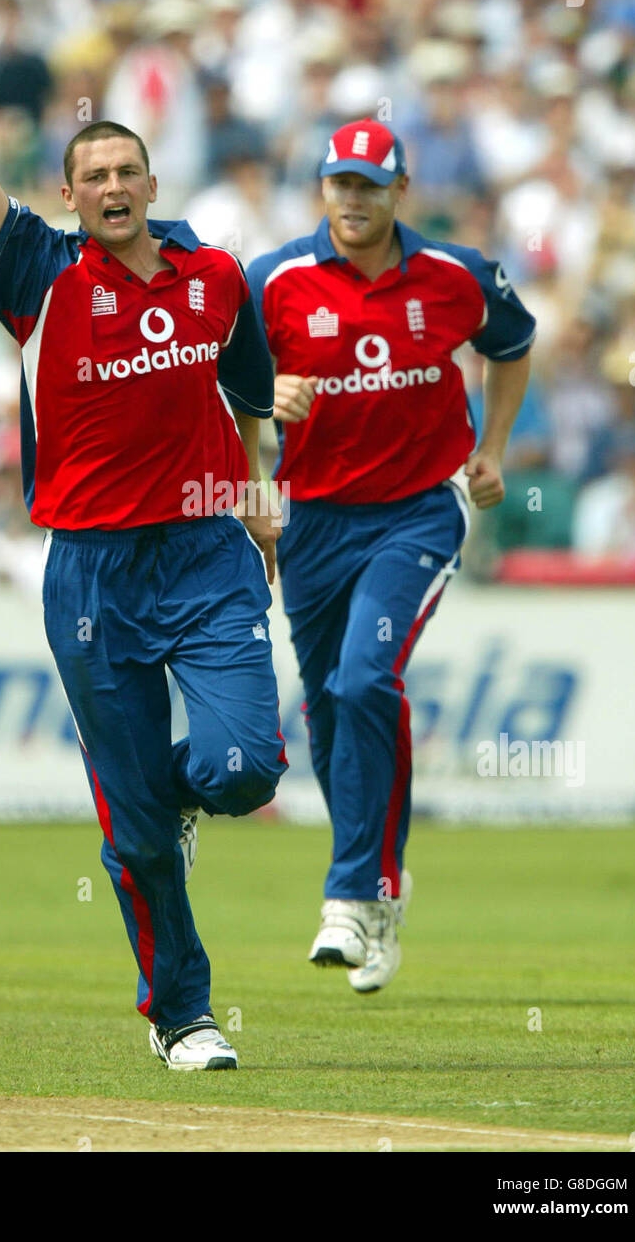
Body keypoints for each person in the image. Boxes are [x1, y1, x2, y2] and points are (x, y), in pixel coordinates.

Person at [0, 0, 287, 1068]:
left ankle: (146, 806)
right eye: (94, 175)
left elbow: (251, 391)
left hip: (207, 554)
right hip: (89, 570)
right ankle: (185, 1014)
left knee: (243, 770)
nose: (113, 186)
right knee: (139, 835)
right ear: (71, 194)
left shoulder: (217, 276)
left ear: (151, 184)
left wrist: (263, 487)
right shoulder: (37, 270)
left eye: (128, 172)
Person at [247, 118, 535, 993]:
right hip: (312, 521)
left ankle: (348, 893)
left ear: (399, 189)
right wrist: (264, 407)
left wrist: (494, 451)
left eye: (369, 185)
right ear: (322, 189)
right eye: (340, 183)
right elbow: (220, 385)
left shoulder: (457, 275)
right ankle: (382, 889)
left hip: (418, 510)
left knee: (367, 679)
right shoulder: (273, 281)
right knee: (330, 711)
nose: (353, 200)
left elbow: (512, 345)